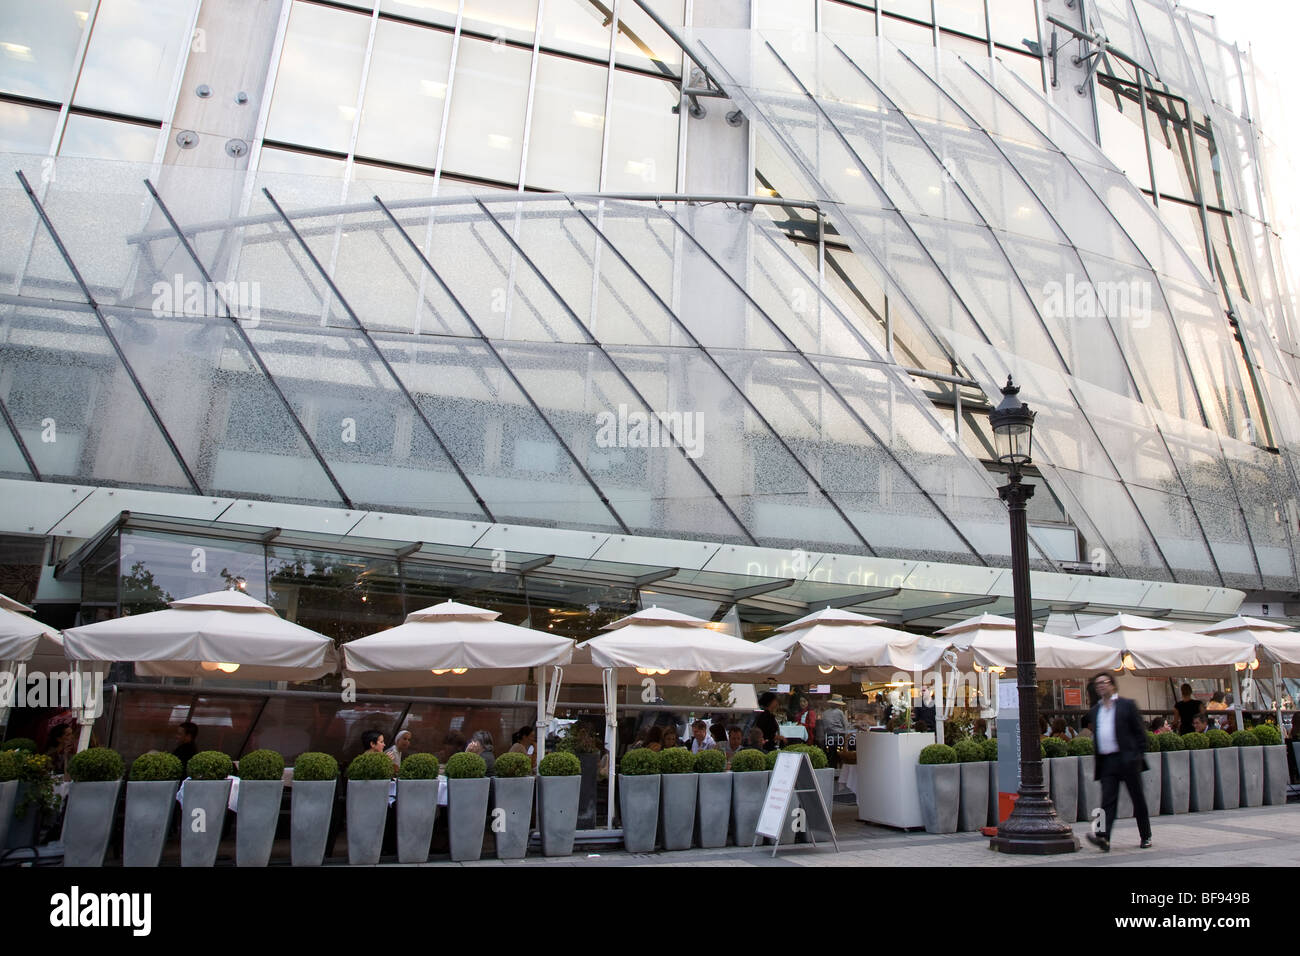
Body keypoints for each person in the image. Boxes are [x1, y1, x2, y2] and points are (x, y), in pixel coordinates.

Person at [1086, 673, 1152, 852]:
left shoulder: (1126, 705)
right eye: (1097, 683)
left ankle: (1146, 835)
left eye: (1103, 683)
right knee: (1107, 800)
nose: (1100, 686)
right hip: (1107, 760)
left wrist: (1137, 755)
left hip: (1128, 759)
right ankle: (1103, 837)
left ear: (1112, 685)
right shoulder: (1096, 710)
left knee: (1137, 798)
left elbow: (1140, 733)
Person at [818, 694, 850, 767]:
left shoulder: (824, 713)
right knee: (840, 755)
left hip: (828, 737)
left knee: (831, 756)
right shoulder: (840, 712)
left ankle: (832, 769)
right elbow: (846, 725)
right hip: (839, 737)